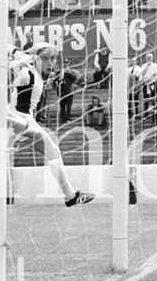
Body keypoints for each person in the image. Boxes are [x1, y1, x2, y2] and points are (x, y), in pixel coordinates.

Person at [9, 41, 96, 207]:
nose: (51, 63)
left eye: (54, 58)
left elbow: (14, 51)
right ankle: (70, 196)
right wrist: (16, 64)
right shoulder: (27, 73)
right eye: (47, 59)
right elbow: (6, 78)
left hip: (25, 120)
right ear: (38, 59)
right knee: (53, 151)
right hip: (18, 119)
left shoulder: (38, 73)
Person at [53, 59, 77, 124]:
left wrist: (69, 72)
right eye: (64, 63)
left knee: (69, 105)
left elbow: (74, 78)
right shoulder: (58, 72)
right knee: (62, 105)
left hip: (69, 91)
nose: (65, 64)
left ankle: (68, 117)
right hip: (61, 91)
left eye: (66, 63)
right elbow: (55, 81)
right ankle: (62, 118)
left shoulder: (71, 71)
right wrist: (55, 87)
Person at [138, 53, 157, 118]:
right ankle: (146, 115)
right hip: (145, 84)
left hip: (153, 84)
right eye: (148, 57)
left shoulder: (155, 65)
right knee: (146, 100)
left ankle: (155, 116)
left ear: (152, 58)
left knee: (154, 100)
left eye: (150, 57)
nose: (149, 59)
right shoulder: (143, 65)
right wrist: (147, 67)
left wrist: (154, 75)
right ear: (146, 58)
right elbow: (141, 74)